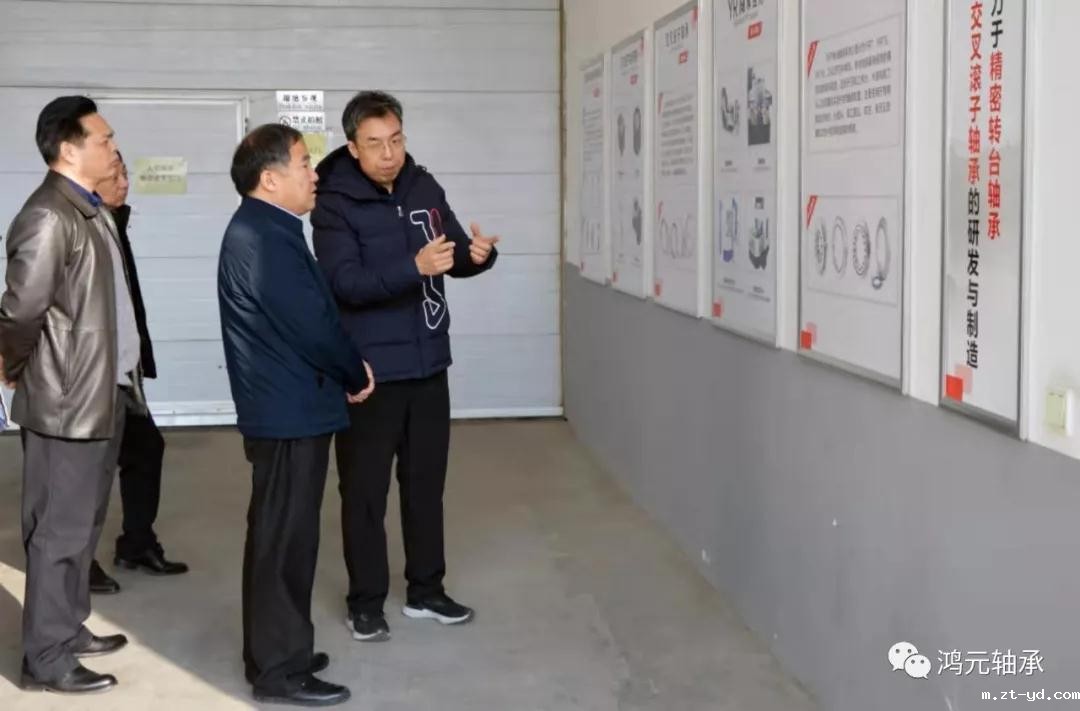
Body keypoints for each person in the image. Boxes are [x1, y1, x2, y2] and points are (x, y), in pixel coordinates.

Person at [312, 90, 499, 642]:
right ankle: (366, 601)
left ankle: (426, 590)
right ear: (353, 146)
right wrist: (413, 267)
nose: (389, 153)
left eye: (395, 140)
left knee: (425, 487)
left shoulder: (423, 185)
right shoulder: (333, 202)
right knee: (365, 494)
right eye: (375, 144)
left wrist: (478, 257)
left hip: (428, 363)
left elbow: (451, 253)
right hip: (371, 375)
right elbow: (344, 283)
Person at [218, 123, 374, 706]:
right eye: (305, 164)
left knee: (283, 537)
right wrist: (355, 373)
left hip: (290, 407)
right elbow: (312, 326)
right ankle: (280, 671)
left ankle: (276, 652)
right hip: (287, 413)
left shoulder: (270, 229)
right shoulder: (264, 238)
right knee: (284, 542)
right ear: (269, 178)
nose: (315, 175)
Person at [0, 96, 138, 694]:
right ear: (68, 149)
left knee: (82, 526)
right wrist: (15, 367)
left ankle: (66, 626)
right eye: (103, 139)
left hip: (100, 394)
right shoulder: (49, 216)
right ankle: (46, 657)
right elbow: (19, 312)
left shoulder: (89, 209)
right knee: (58, 532)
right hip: (67, 403)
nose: (113, 147)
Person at [85, 157, 188, 596]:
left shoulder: (114, 224)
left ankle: (136, 543)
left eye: (125, 175)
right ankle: (76, 562)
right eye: (114, 177)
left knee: (145, 448)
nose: (124, 184)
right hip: (91, 375)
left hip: (122, 371)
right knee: (89, 470)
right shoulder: (82, 227)